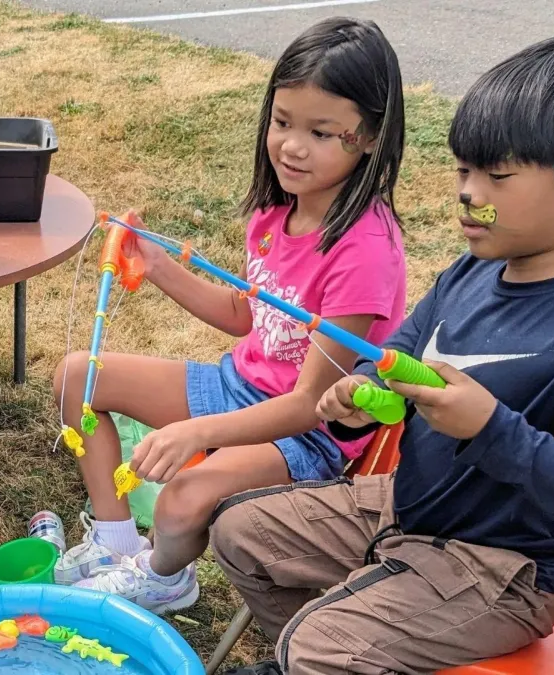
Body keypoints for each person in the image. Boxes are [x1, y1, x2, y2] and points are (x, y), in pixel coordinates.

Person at [212, 33, 554, 675]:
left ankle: (320, 654)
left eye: (497, 176)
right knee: (240, 532)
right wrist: (361, 394)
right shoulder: (470, 273)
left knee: (317, 643)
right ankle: (328, 654)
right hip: (407, 508)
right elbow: (399, 350)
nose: (469, 192)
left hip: (504, 567)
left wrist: (489, 427)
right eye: (463, 171)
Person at [51, 16, 408, 613]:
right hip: (237, 385)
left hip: (306, 434)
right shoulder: (277, 212)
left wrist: (199, 433)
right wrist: (157, 264)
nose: (292, 146)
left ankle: (165, 578)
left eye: (321, 132)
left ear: (370, 137)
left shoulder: (364, 251)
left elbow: (307, 404)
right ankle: (116, 543)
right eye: (282, 122)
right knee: (75, 377)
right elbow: (247, 316)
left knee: (179, 502)